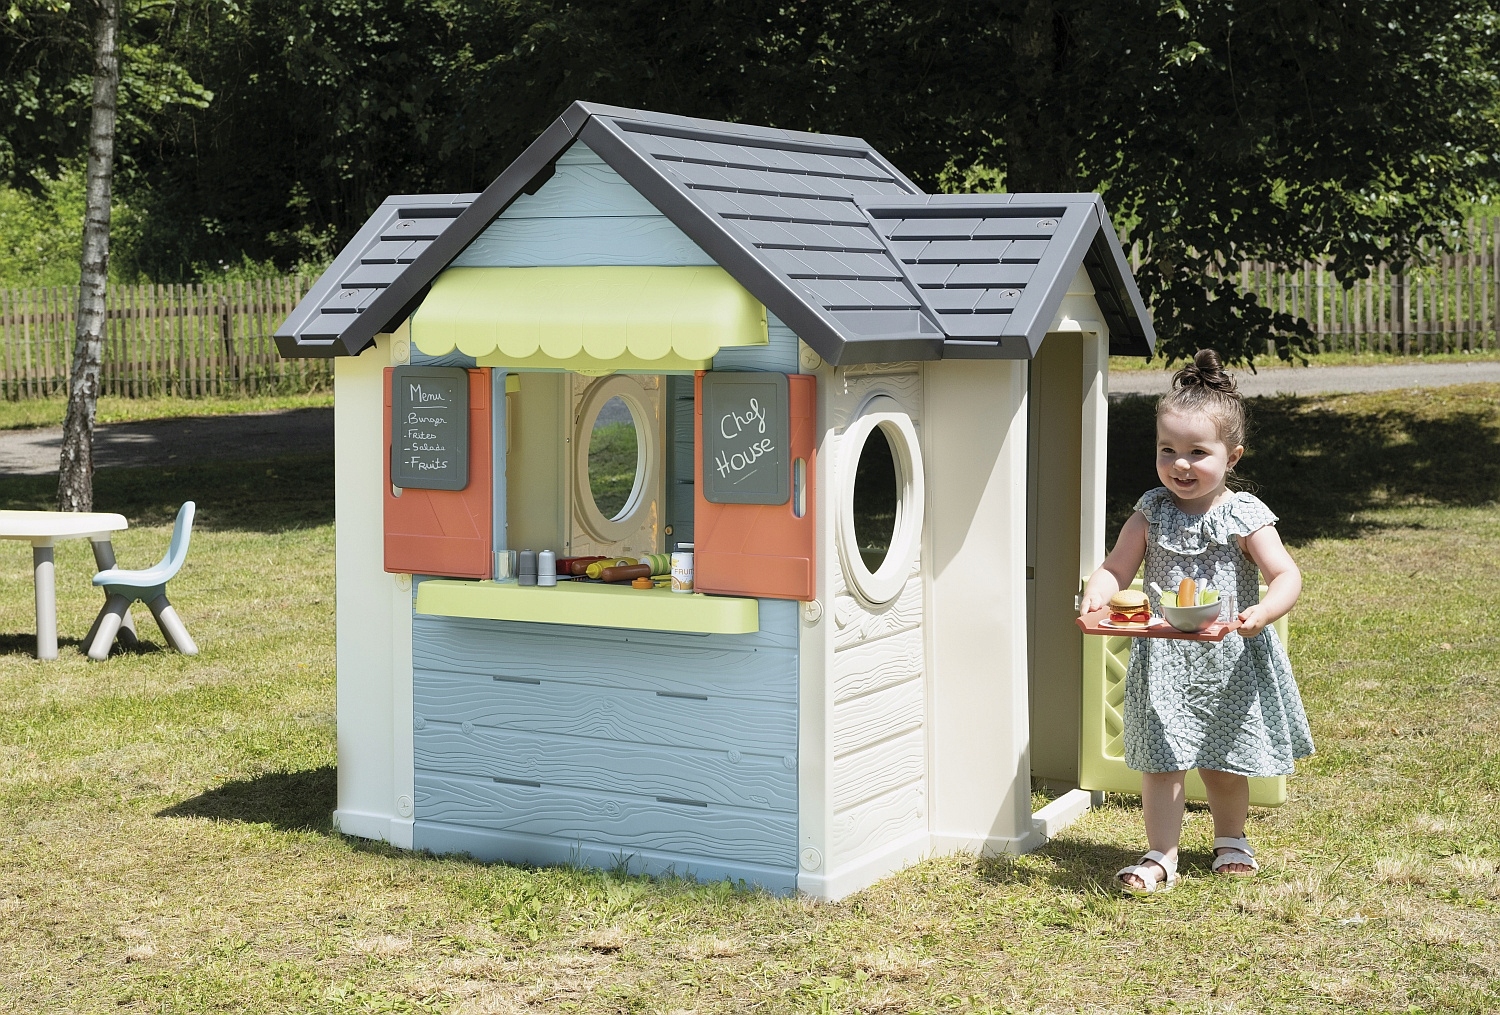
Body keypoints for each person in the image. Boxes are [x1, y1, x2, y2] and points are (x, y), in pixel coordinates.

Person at [1079, 348, 1314, 894]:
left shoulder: (1243, 514)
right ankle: (1161, 855)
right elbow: (1117, 568)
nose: (1180, 465)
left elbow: (1286, 574)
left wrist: (1264, 612)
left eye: (1197, 452)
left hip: (1228, 659)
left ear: (1232, 457)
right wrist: (1098, 590)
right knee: (1162, 763)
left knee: (1224, 761)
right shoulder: (1151, 511)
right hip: (1164, 659)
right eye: (1168, 450)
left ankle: (1231, 839)